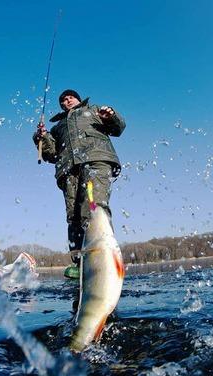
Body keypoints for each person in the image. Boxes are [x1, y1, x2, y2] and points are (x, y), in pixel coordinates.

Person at [33, 89, 126, 279]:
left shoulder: (93, 111)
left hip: (95, 162)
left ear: (78, 99)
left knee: (93, 208)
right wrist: (41, 138)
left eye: (70, 97)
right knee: (73, 216)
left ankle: (103, 256)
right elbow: (51, 155)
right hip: (69, 172)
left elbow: (118, 128)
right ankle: (80, 262)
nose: (67, 101)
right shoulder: (58, 127)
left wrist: (111, 115)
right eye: (63, 100)